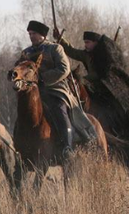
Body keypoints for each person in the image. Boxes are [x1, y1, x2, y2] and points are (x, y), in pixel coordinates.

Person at [19, 21, 95, 158]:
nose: (31, 36)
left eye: (34, 33)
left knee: (60, 109)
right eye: (29, 34)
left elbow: (64, 69)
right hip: (34, 91)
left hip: (55, 89)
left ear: (42, 34)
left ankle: (67, 146)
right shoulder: (26, 52)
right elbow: (19, 68)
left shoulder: (55, 49)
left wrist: (42, 78)